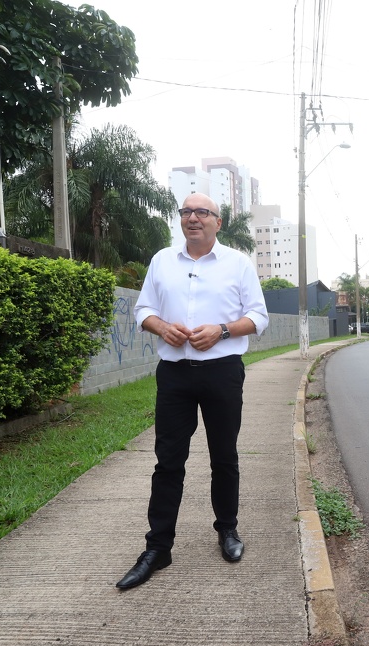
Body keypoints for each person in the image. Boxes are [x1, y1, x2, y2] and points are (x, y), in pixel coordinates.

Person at [116, 193, 270, 590]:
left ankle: (227, 529)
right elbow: (143, 310)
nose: (193, 218)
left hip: (222, 372)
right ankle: (158, 548)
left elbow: (258, 316)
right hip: (174, 375)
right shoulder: (162, 261)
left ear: (218, 222)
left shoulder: (238, 263)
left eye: (202, 212)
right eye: (186, 212)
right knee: (168, 461)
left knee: (224, 456)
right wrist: (161, 327)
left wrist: (222, 330)